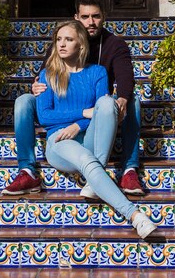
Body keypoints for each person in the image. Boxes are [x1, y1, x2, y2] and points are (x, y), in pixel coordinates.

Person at [3, 0, 142, 196]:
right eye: (85, 17)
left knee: (133, 102)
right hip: (68, 104)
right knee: (24, 101)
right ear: (76, 17)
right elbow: (45, 72)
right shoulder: (65, 41)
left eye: (95, 16)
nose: (91, 22)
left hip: (98, 105)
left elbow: (125, 78)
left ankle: (129, 169)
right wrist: (36, 84)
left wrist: (121, 98)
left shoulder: (114, 45)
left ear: (103, 16)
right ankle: (27, 171)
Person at [34, 20, 156, 239]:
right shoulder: (48, 75)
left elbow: (102, 112)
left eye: (68, 39)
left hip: (88, 137)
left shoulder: (98, 73)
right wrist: (82, 114)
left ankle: (93, 180)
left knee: (109, 102)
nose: (62, 44)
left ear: (81, 45)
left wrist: (77, 125)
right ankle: (135, 216)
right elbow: (45, 116)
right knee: (88, 160)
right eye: (59, 39)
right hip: (59, 142)